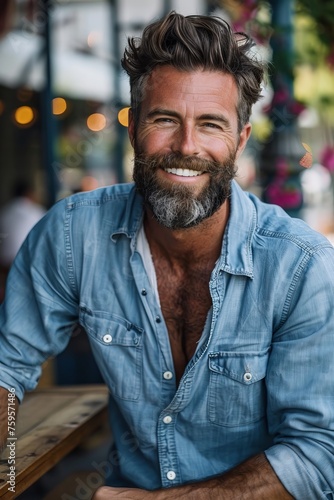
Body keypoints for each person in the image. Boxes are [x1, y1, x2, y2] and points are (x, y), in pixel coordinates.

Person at [0, 12, 334, 499]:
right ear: (133, 127)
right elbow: (8, 368)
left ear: (239, 141)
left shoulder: (300, 266)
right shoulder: (73, 235)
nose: (186, 146)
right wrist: (7, 474)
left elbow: (318, 455)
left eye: (211, 125)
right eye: (164, 119)